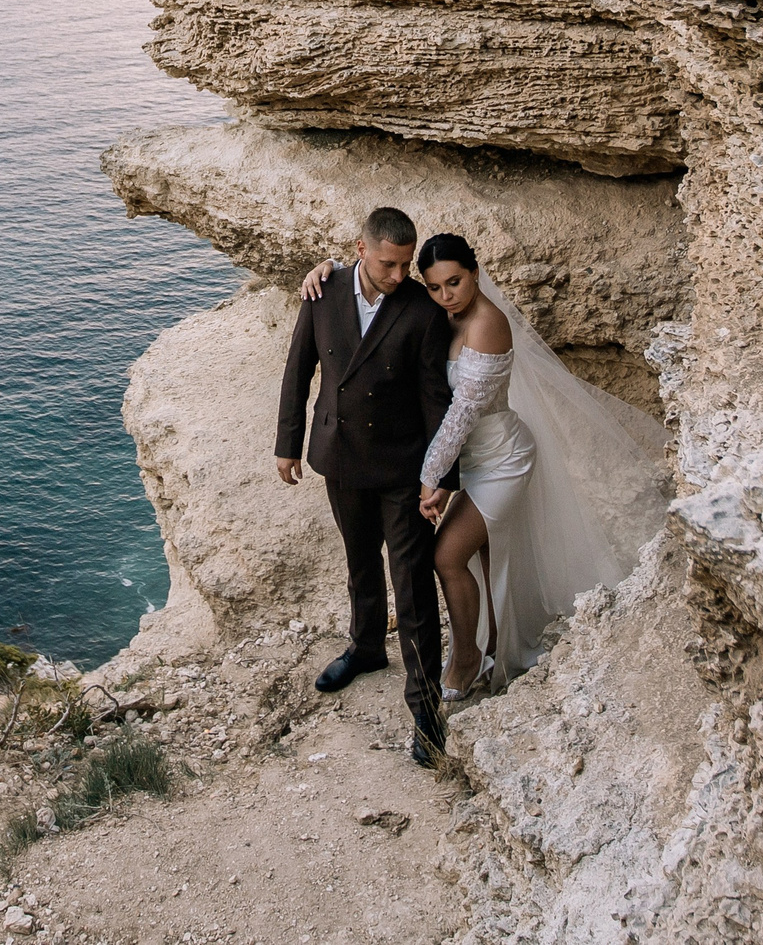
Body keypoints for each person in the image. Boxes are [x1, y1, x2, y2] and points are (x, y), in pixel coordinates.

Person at [300, 232, 671, 697]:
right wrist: (328, 269)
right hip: (464, 461)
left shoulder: (487, 324)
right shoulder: (439, 312)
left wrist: (430, 479)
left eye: (454, 282)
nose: (445, 295)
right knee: (487, 558)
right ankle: (496, 645)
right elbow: (374, 286)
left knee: (446, 554)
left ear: (476, 273)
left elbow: (459, 417)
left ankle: (468, 660)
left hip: (499, 460)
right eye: (434, 287)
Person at [275, 206, 456, 767]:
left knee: (414, 583)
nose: (399, 275)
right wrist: (287, 441)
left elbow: (435, 400)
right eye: (388, 264)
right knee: (358, 562)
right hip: (341, 455)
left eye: (406, 265)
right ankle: (366, 647)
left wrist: (439, 477)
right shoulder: (321, 292)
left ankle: (425, 709)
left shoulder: (422, 312)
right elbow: (299, 368)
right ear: (361, 248)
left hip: (402, 468)